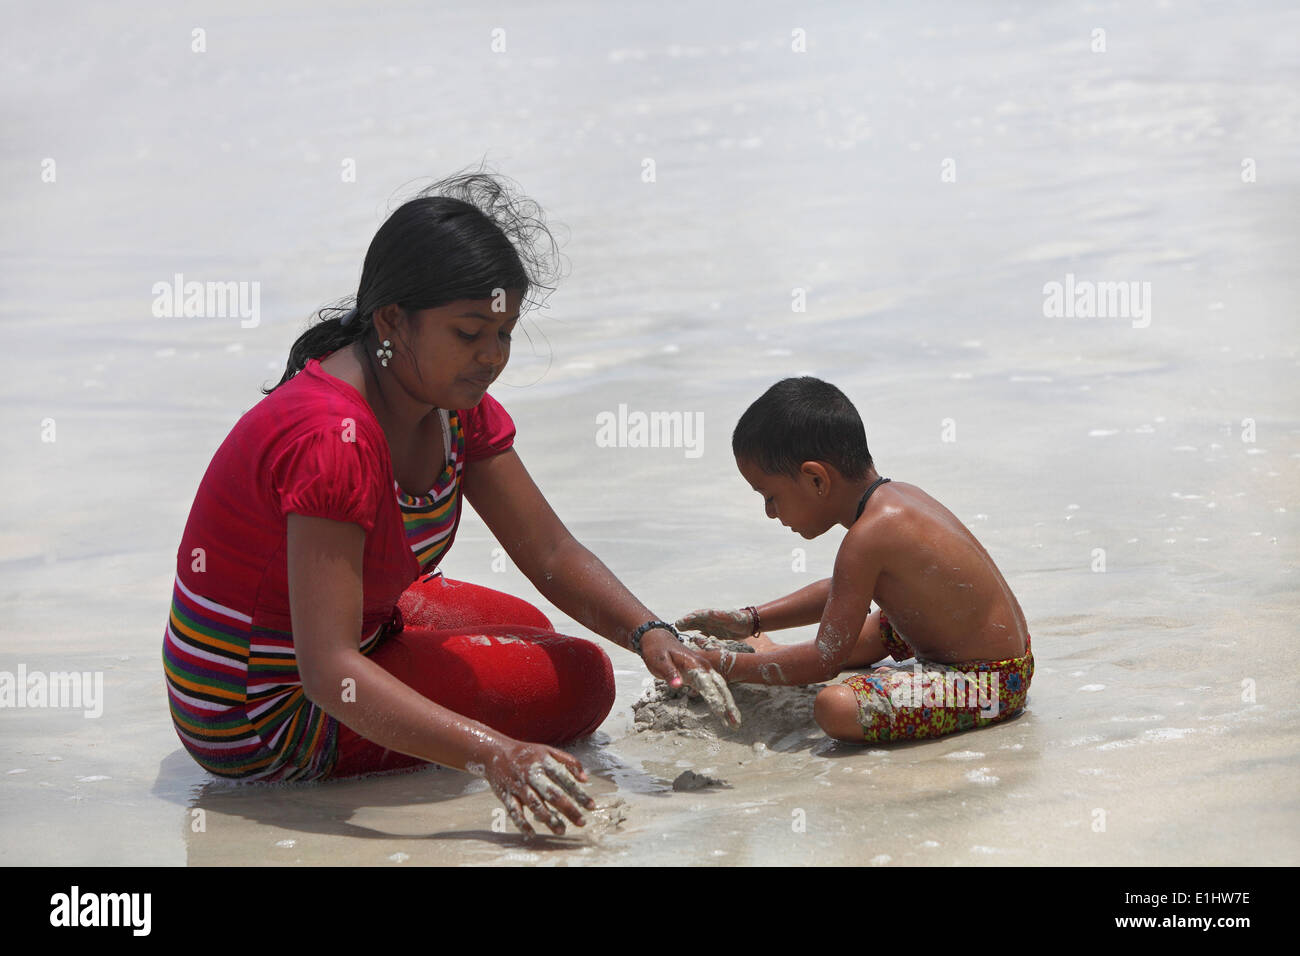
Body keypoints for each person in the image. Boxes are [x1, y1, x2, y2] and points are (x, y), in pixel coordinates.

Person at [163, 170, 738, 837]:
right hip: (262, 710)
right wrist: (494, 754)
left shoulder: (452, 407)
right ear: (391, 322)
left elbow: (549, 551)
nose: (492, 357)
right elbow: (326, 672)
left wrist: (653, 635)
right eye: (470, 334)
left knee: (532, 627)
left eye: (505, 334)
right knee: (584, 680)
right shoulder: (333, 437)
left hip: (357, 631)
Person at [676, 377, 1033, 743]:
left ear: (816, 479)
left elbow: (824, 661)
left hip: (989, 685)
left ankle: (776, 658)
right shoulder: (897, 498)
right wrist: (751, 620)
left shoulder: (868, 535)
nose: (770, 513)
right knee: (872, 627)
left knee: (836, 706)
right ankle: (776, 652)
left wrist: (723, 665)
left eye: (770, 496)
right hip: (986, 648)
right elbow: (844, 591)